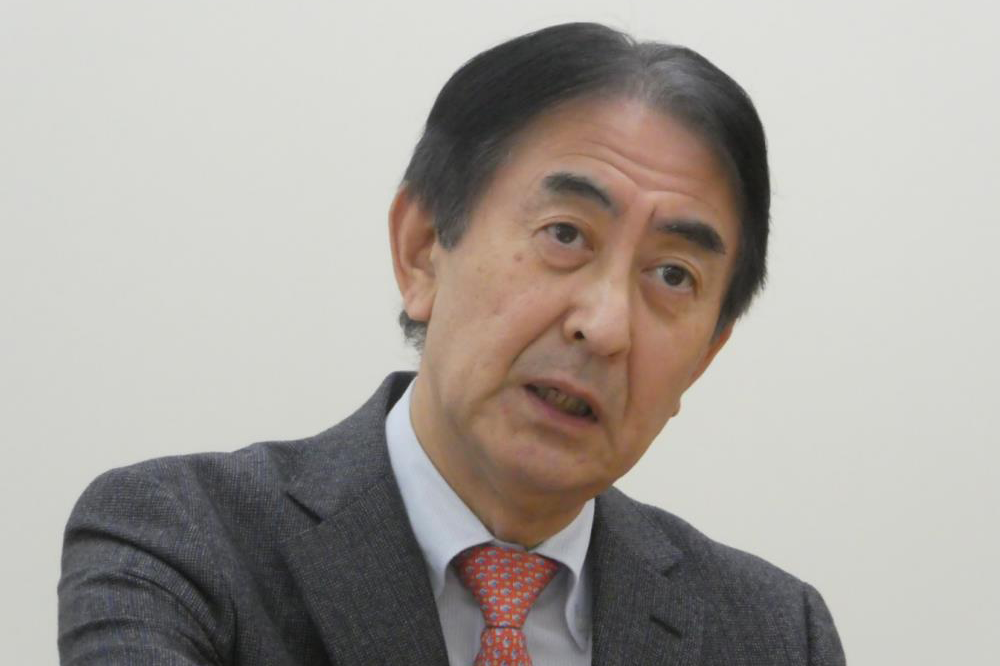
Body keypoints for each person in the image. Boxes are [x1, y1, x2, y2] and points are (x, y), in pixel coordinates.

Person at [58, 22, 846, 666]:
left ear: (704, 359)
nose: (605, 326)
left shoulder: (777, 636)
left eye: (673, 276)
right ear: (423, 251)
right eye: (565, 234)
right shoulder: (176, 543)